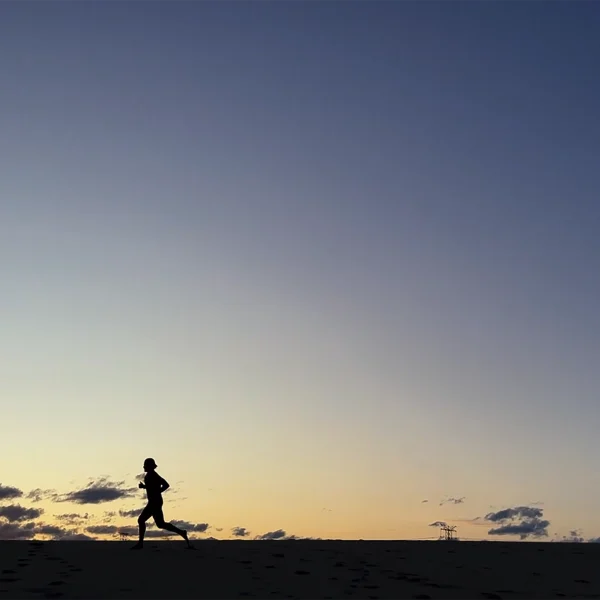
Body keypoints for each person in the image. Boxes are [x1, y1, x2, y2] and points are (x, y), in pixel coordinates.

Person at [131, 458, 193, 549]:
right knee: (160, 524)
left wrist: (158, 492)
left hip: (155, 502)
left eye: (146, 465)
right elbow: (152, 487)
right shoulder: (149, 475)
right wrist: (144, 487)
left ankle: (140, 543)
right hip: (154, 501)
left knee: (141, 520)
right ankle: (181, 532)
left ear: (150, 467)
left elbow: (166, 485)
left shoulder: (154, 476)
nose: (144, 467)